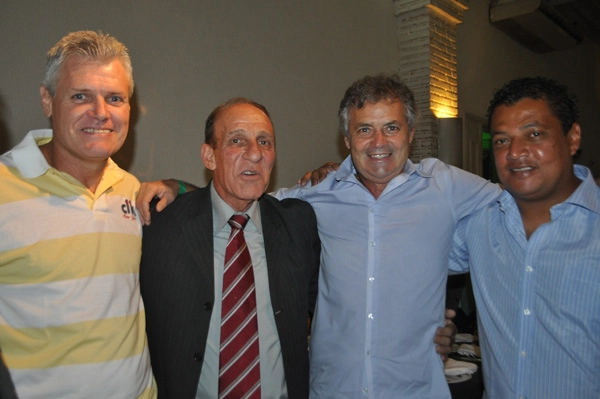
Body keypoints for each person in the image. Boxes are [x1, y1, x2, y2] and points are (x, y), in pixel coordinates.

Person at [137, 74, 500, 398]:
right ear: (346, 139)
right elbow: (240, 195)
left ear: (411, 132)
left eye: (391, 127)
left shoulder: (447, 188)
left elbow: (520, 208)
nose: (378, 142)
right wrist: (177, 187)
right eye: (363, 130)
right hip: (332, 389)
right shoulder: (313, 200)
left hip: (415, 388)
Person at [0, 31, 155, 398]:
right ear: (48, 100)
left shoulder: (132, 191)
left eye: (114, 98)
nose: (100, 113)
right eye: (81, 96)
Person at [139, 98, 321, 399]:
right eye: (237, 141)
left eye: (265, 142)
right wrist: (177, 186)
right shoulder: (160, 226)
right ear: (209, 156)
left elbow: (332, 303)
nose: (254, 154)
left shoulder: (298, 224)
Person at [449, 77, 600, 398]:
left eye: (534, 134)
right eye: (502, 140)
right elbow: (401, 258)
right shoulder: (477, 223)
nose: (516, 152)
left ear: (572, 138)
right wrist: (354, 178)